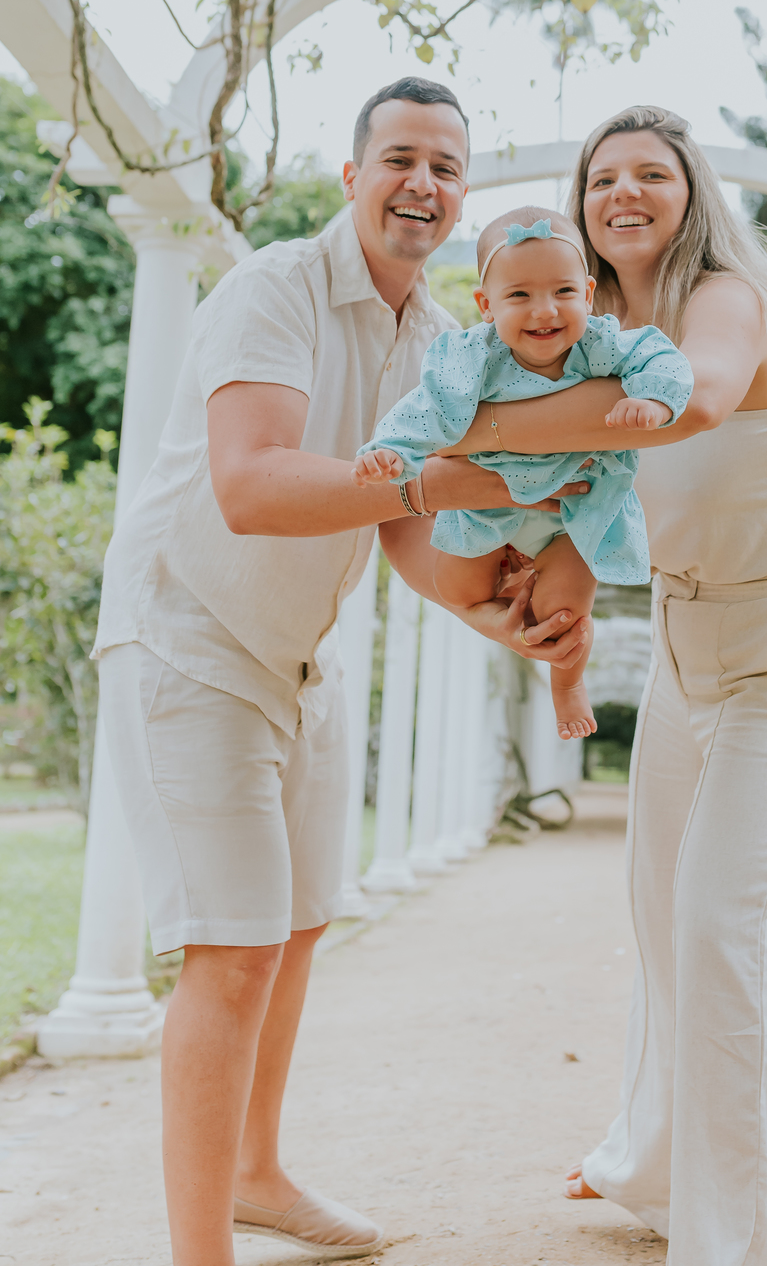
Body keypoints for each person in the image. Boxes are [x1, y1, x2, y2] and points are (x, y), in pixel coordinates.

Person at [92, 78, 593, 1266]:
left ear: (461, 199)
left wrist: (501, 616)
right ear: (355, 175)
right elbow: (254, 486)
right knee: (233, 947)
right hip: (188, 637)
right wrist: (450, 483)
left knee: (302, 924)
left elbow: (406, 534)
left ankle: (259, 1174)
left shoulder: (434, 339)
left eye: (448, 168)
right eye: (403, 158)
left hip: (300, 657)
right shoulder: (274, 286)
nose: (424, 183)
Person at [438, 105, 767, 1266]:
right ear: (581, 211)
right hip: (688, 641)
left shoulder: (722, 294)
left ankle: (736, 1242)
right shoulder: (590, 337)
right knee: (664, 919)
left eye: (651, 175)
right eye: (603, 180)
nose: (624, 194)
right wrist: (541, 594)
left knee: (730, 931)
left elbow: (705, 396)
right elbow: (592, 494)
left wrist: (463, 428)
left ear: (693, 195)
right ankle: (657, 1165)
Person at [353, 205, 693, 737]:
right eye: (519, 296)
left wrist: (652, 398)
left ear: (586, 291)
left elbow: (662, 355)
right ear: (486, 306)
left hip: (576, 512)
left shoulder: (601, 345)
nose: (544, 312)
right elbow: (432, 408)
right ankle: (505, 595)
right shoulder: (473, 357)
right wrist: (393, 449)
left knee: (562, 613)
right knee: (456, 584)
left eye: (562, 292)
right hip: (491, 508)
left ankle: (568, 686)